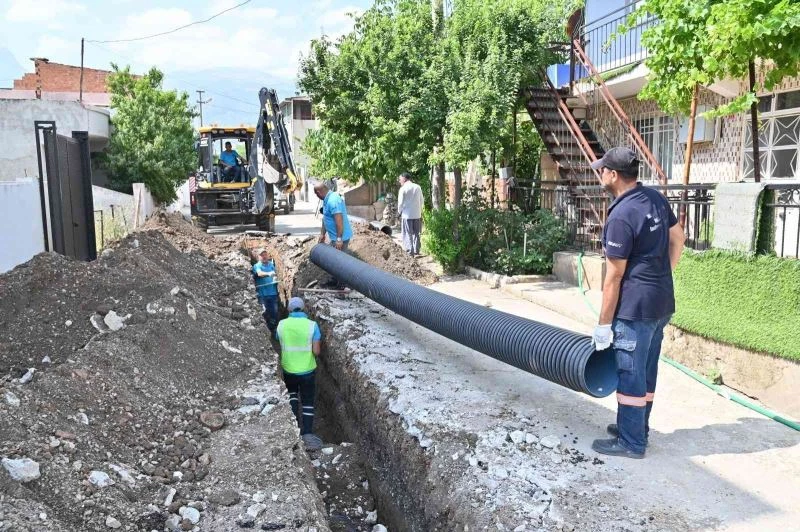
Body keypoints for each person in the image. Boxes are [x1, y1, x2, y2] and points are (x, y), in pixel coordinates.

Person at [589, 147, 686, 459]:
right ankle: (635, 427)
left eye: (603, 169)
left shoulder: (620, 216)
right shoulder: (654, 198)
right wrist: (661, 274)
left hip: (636, 308)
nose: (600, 173)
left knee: (630, 371)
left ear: (613, 175)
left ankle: (631, 443)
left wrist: (603, 325)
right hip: (661, 302)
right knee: (646, 369)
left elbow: (614, 277)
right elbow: (679, 237)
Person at [276, 297, 322, 440]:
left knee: (292, 396)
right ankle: (307, 433)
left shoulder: (281, 325)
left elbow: (278, 339)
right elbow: (316, 351)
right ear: (303, 308)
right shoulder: (312, 325)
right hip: (307, 370)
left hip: (289, 369)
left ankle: (294, 428)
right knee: (307, 401)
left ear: (289, 309)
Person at [314, 182, 353, 251]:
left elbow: (339, 221)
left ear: (318, 193)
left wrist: (339, 239)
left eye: (316, 194)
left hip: (340, 238)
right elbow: (325, 217)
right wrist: (322, 234)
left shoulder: (333, 201)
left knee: (338, 257)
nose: (317, 196)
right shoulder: (327, 199)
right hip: (334, 237)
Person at [397, 171, 424, 256]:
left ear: (404, 179)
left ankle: (410, 251)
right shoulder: (417, 187)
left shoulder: (403, 189)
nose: (399, 181)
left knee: (407, 233)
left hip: (407, 215)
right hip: (417, 214)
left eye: (400, 179)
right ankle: (417, 250)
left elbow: (400, 203)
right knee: (416, 233)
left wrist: (399, 212)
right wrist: (420, 210)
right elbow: (421, 200)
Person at [252, 250, 279, 333]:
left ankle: (273, 330)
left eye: (265, 254)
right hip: (262, 295)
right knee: (264, 313)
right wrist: (269, 273)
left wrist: (275, 277)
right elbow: (259, 273)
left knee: (274, 313)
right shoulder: (257, 266)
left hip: (273, 294)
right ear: (258, 257)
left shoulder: (271, 265)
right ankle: (266, 332)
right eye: (262, 255)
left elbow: (275, 274)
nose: (264, 256)